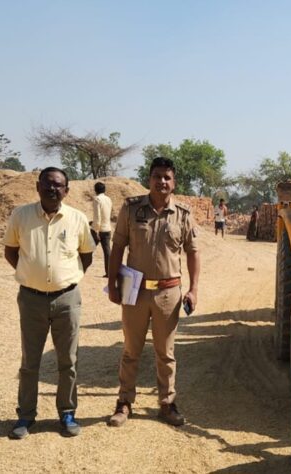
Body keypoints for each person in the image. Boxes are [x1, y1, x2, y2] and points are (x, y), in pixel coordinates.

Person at [2, 167, 96, 439]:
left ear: (67, 190)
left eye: (58, 185)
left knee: (69, 360)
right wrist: (32, 274)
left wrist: (66, 278)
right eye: (47, 184)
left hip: (67, 298)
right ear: (37, 186)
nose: (52, 189)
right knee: (30, 362)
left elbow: (86, 256)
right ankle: (25, 416)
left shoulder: (77, 219)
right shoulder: (21, 215)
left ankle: (67, 413)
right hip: (31, 299)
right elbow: (11, 252)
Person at [107, 157, 200, 427]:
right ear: (149, 179)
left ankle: (167, 404)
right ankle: (124, 403)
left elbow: (193, 253)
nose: (162, 182)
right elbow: (118, 248)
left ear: (174, 183)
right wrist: (113, 283)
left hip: (168, 293)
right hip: (134, 290)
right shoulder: (131, 208)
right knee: (130, 350)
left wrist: (193, 289)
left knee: (166, 353)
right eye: (157, 176)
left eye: (167, 178)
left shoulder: (183, 214)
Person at [92, 182, 113, 277]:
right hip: (107, 228)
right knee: (107, 251)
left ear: (95, 190)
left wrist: (95, 230)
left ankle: (78, 268)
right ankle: (109, 272)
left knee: (87, 249)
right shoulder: (108, 199)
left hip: (99, 229)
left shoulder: (97, 199)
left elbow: (98, 217)